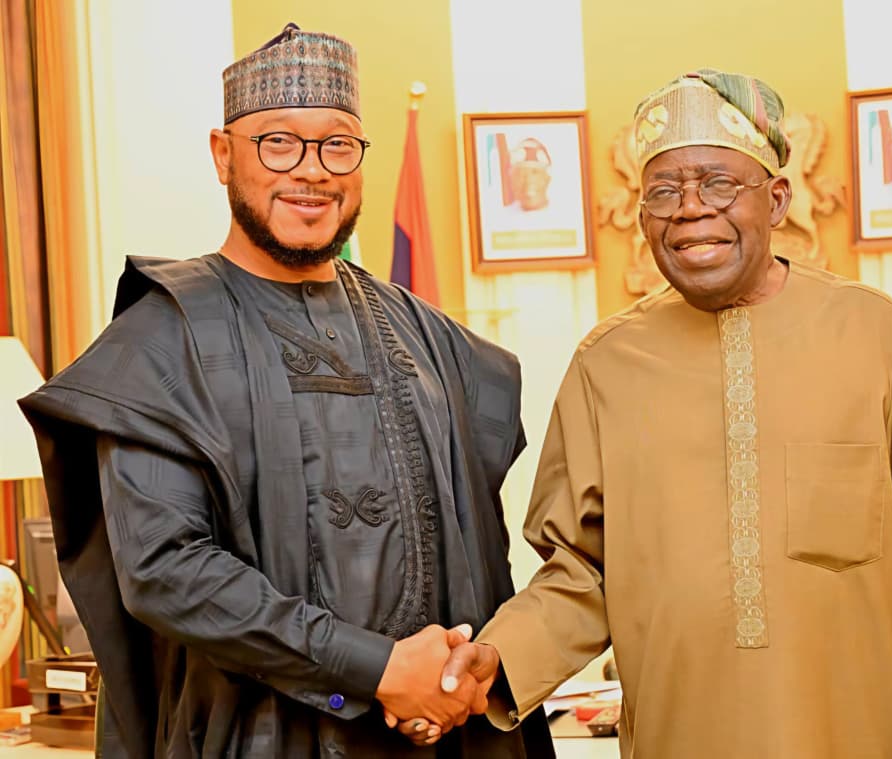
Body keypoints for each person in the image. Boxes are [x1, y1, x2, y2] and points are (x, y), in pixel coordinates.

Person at [18, 23, 552, 759]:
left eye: (337, 145)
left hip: (440, 740)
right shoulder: (162, 340)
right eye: (278, 143)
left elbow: (479, 554)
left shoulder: (431, 338)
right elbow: (166, 570)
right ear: (223, 154)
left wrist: (453, 680)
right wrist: (379, 670)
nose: (311, 171)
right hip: (249, 738)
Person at [436, 68, 892, 758]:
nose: (691, 209)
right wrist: (501, 658)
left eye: (719, 183)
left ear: (776, 199)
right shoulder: (607, 364)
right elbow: (582, 573)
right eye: (664, 191)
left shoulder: (876, 336)